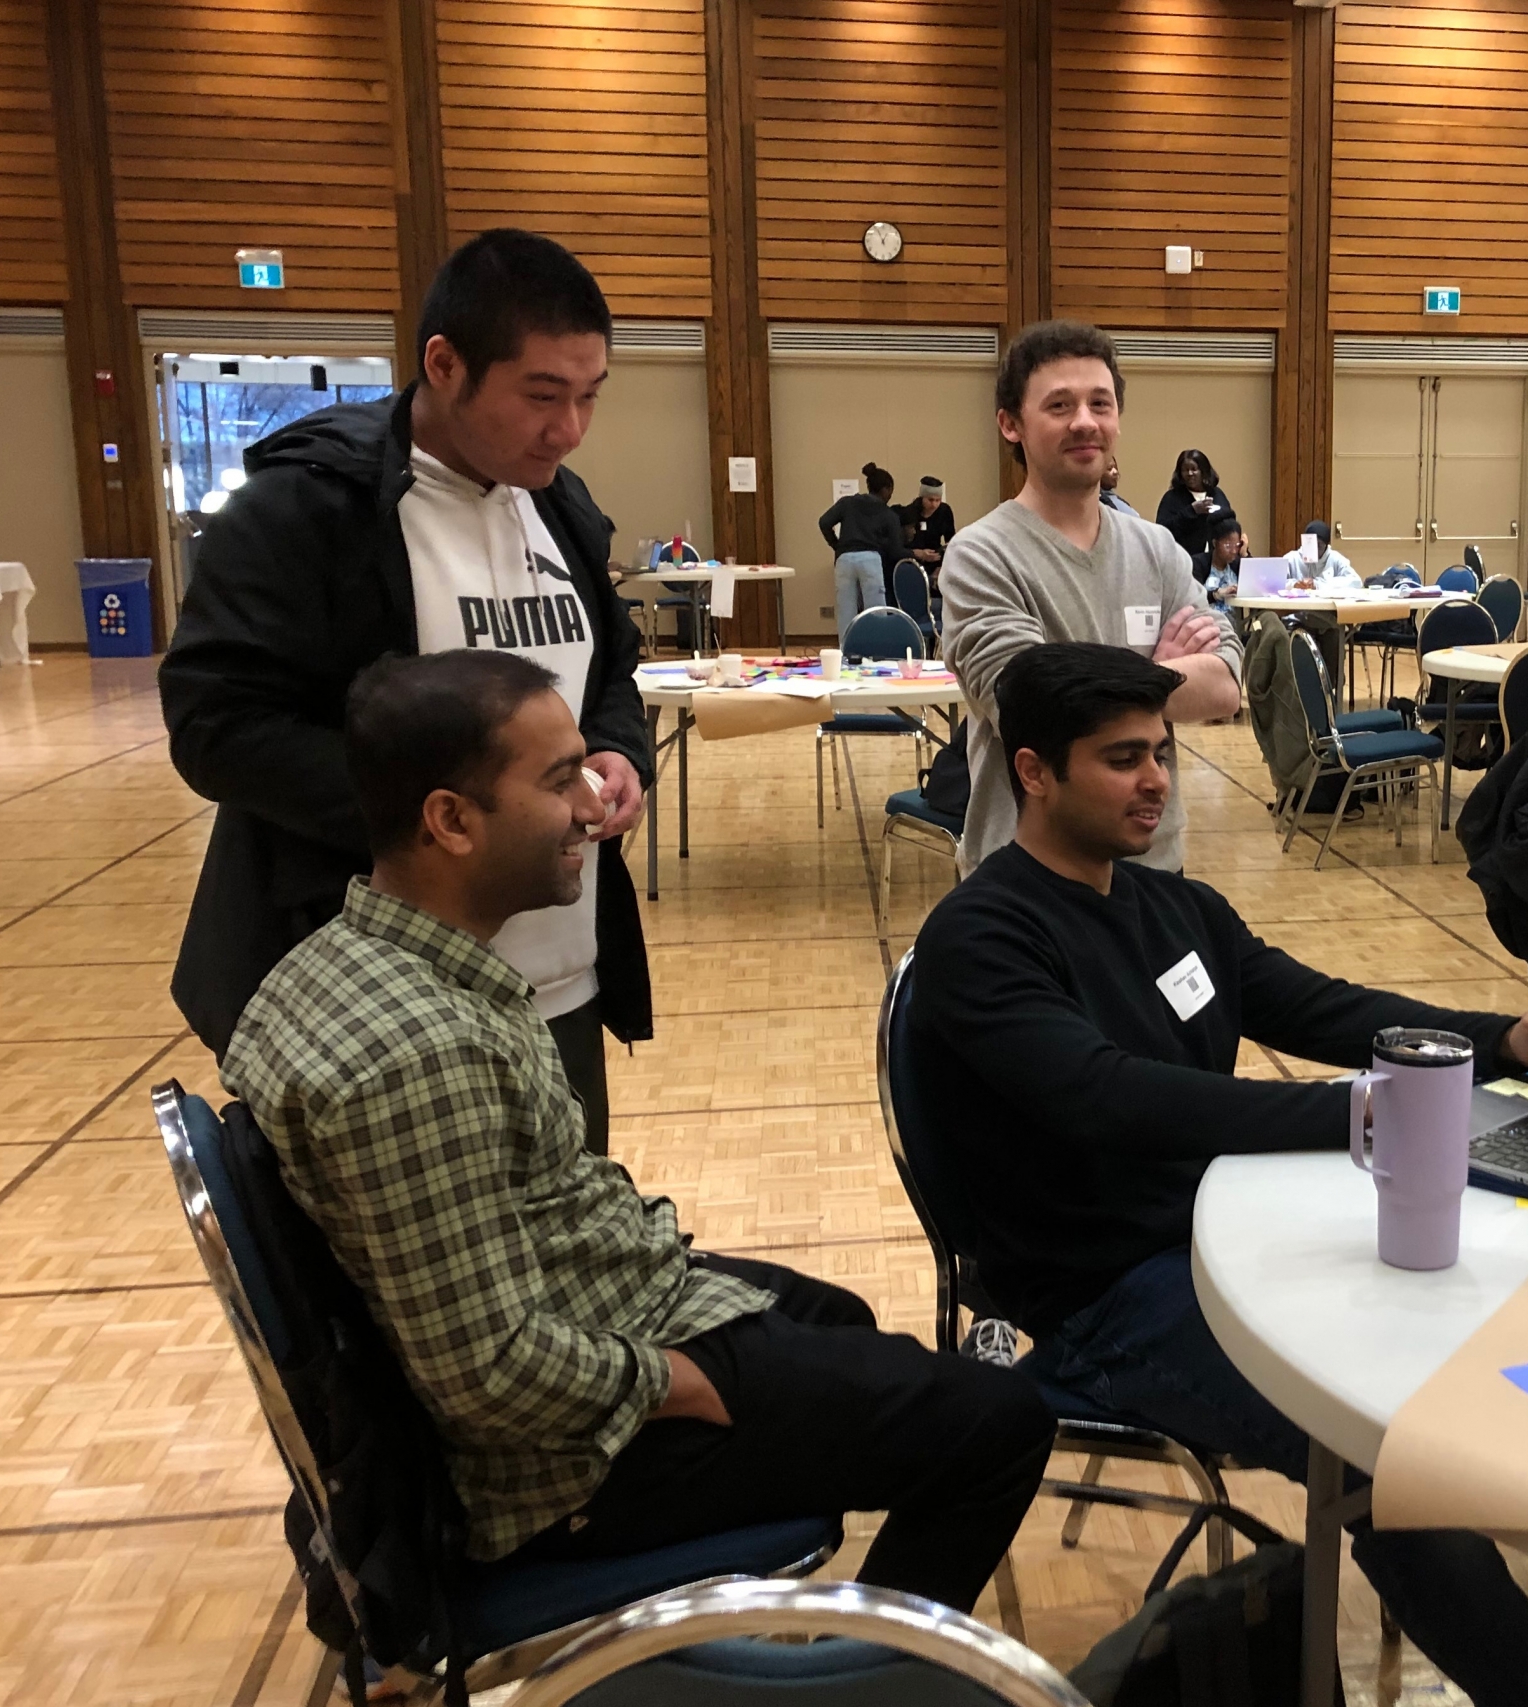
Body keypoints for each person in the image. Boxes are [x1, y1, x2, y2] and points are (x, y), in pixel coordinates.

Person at [909, 643, 1528, 1707]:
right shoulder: (982, 935)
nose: (1155, 779)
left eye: (1160, 752)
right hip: (1104, 1295)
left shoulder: (1175, 908)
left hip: (1237, 1238)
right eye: (1120, 759)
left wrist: (1503, 1041)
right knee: (1380, 1457)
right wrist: (1366, 1114)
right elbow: (1107, 1100)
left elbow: (1322, 1006)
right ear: (1032, 771)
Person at [225, 650, 1053, 1606]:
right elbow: (489, 1375)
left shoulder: (336, 962)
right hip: (559, 1470)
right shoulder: (415, 1053)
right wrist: (673, 1382)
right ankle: (866, 1676)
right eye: (555, 780)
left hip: (595, 1301)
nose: (591, 804)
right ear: (450, 820)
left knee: (839, 1320)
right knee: (1000, 1420)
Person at [160, 228, 652, 1156]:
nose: (569, 428)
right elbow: (215, 723)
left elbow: (611, 668)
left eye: (589, 397)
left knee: (578, 1261)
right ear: (445, 363)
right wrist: (432, 819)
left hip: (556, 983)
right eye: (542, 396)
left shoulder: (558, 503)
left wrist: (616, 750)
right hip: (379, 1012)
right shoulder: (308, 508)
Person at [941, 319, 1243, 875]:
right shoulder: (980, 555)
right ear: (1011, 425)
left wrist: (1090, 681)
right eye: (1059, 406)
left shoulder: (1158, 549)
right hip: (1027, 881)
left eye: (1100, 404)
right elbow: (1027, 706)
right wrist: (1159, 675)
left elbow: (1225, 686)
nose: (1085, 422)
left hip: (1154, 866)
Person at [819, 461, 905, 634]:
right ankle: (877, 651)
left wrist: (837, 546)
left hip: (844, 560)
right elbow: (896, 551)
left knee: (846, 611)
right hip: (870, 560)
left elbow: (824, 522)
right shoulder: (887, 513)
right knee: (876, 611)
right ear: (886, 490)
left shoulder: (847, 503)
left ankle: (846, 653)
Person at [1153, 448, 1232, 572]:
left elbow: (1230, 523)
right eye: (1185, 470)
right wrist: (1191, 511)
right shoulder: (1172, 498)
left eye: (1194, 469)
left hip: (1216, 565)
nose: (1190, 473)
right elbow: (1162, 531)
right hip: (1184, 564)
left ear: (1203, 471)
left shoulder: (1217, 494)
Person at [894, 474, 956, 581]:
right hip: (914, 560)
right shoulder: (909, 513)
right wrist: (920, 554)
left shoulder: (944, 511)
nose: (934, 505)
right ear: (922, 497)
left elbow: (950, 540)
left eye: (938, 500)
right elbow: (901, 546)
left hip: (936, 558)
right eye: (930, 500)